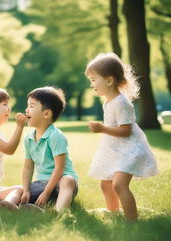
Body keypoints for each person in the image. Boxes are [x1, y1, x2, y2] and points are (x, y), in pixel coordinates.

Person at [85, 53, 158, 221]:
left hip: (129, 149)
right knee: (106, 184)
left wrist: (102, 128)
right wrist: (104, 130)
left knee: (119, 184)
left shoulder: (122, 103)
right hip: (114, 148)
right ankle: (114, 214)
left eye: (94, 79)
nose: (91, 84)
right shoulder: (108, 102)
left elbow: (126, 130)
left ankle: (132, 221)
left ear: (109, 80)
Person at [20, 86, 78, 212]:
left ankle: (59, 213)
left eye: (32, 106)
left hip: (60, 183)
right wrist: (26, 190)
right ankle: (11, 206)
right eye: (27, 105)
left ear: (46, 113)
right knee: (19, 190)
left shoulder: (55, 136)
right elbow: (28, 167)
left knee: (68, 180)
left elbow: (60, 168)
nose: (26, 110)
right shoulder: (28, 138)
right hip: (42, 183)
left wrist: (46, 193)